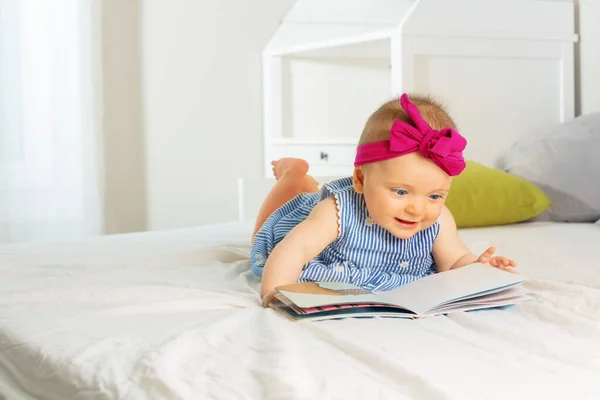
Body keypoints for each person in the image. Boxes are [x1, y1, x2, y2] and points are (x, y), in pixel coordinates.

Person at [251, 93, 516, 307]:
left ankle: (308, 183)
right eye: (401, 192)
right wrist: (275, 294)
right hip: (297, 229)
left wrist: (480, 268)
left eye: (434, 196)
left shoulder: (439, 221)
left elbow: (456, 262)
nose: (417, 208)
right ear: (361, 180)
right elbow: (292, 250)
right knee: (264, 236)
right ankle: (293, 177)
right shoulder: (336, 211)